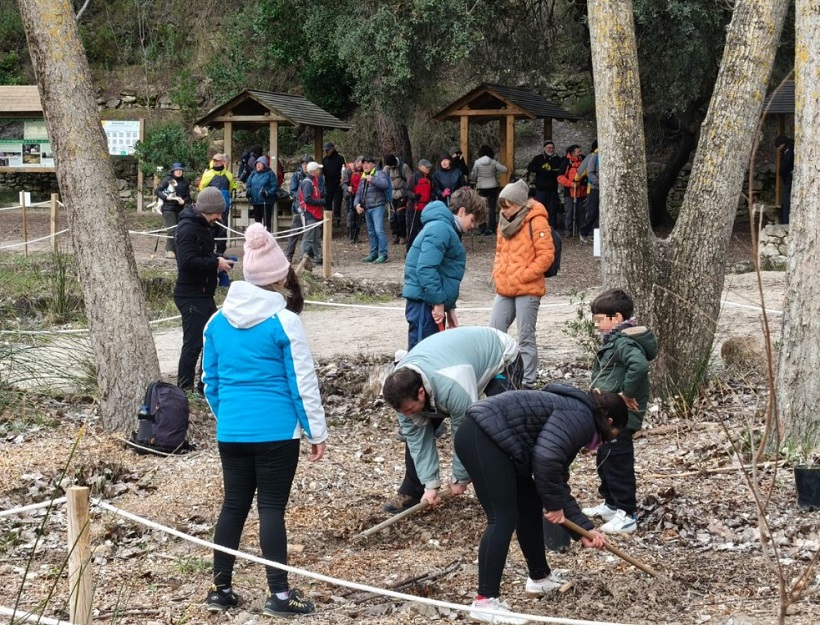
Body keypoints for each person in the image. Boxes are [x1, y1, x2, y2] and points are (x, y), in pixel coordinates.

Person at [202, 223, 327, 618]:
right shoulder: (285, 321)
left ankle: (220, 589)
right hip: (276, 430)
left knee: (233, 505)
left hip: (233, 430)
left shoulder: (215, 322)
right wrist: (314, 431)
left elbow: (210, 383)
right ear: (279, 276)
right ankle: (279, 595)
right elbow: (302, 381)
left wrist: (229, 419)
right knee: (271, 508)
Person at [454, 386, 627, 624]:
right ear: (608, 421)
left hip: (500, 442)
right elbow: (546, 459)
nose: (602, 444)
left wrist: (584, 529)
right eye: (610, 436)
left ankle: (539, 578)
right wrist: (554, 505)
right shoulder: (582, 419)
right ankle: (485, 601)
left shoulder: (580, 413)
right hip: (483, 435)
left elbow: (557, 480)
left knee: (529, 504)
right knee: (502, 516)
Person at [381, 327, 523, 513]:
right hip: (448, 362)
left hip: (499, 355)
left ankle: (514, 491)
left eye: (408, 409)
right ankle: (414, 489)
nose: (406, 415)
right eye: (402, 411)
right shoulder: (401, 392)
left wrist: (460, 477)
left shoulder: (452, 386)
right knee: (413, 431)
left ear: (421, 392)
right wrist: (430, 485)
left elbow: (465, 433)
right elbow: (417, 440)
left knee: (502, 427)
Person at [582, 288, 657, 534]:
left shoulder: (624, 341)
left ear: (616, 318)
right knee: (605, 459)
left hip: (621, 416)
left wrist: (627, 395)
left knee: (618, 461)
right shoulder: (615, 340)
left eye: (599, 320)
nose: (597, 326)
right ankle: (612, 504)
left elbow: (639, 365)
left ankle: (628, 513)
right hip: (608, 413)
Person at [488, 179, 554, 390]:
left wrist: (524, 275)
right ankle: (499, 375)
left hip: (528, 288)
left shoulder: (537, 220)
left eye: (507, 206)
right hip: (505, 286)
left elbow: (546, 256)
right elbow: (499, 251)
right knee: (494, 332)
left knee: (525, 336)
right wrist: (498, 273)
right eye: (502, 207)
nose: (504, 211)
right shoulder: (502, 222)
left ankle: (527, 381)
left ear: (519, 204)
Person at [403, 187, 486, 350]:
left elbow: (443, 272)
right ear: (462, 211)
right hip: (424, 304)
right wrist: (439, 303)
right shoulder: (440, 229)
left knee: (434, 355)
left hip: (430, 302)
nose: (473, 226)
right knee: (422, 355)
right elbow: (426, 268)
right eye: (472, 220)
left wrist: (449, 308)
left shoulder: (448, 230)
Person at [173, 187, 235, 392]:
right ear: (207, 210)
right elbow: (186, 262)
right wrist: (215, 263)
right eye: (217, 212)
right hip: (191, 294)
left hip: (203, 293)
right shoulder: (187, 229)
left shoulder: (203, 226)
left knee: (211, 340)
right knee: (193, 344)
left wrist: (216, 261)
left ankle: (204, 385)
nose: (219, 216)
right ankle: (184, 389)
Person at [353, 156, 390, 263]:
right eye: (363, 163)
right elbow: (358, 193)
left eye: (368, 163)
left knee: (379, 231)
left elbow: (385, 185)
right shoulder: (363, 176)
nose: (365, 165)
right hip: (367, 207)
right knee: (371, 232)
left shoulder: (379, 174)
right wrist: (356, 205)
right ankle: (373, 253)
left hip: (378, 206)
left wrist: (372, 180)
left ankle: (383, 254)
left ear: (373, 164)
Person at [198, 153, 237, 255]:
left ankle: (220, 252)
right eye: (214, 160)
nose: (216, 162)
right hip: (210, 208)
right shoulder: (207, 174)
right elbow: (201, 188)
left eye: (218, 160)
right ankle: (208, 251)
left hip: (224, 207)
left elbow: (231, 188)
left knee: (222, 231)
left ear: (223, 162)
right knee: (210, 230)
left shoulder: (229, 175)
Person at [154, 162, 191, 259]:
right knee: (172, 230)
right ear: (173, 171)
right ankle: (168, 250)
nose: (179, 172)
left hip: (179, 209)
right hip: (168, 208)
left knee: (179, 230)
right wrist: (166, 198)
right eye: (177, 170)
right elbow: (157, 191)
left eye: (180, 170)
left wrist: (184, 201)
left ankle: (177, 250)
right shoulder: (167, 180)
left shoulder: (185, 183)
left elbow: (188, 197)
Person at [470, 145, 507, 236]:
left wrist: (473, 182)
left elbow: (473, 174)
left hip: (481, 187)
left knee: (481, 207)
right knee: (492, 208)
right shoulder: (494, 162)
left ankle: (482, 228)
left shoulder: (477, 162)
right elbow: (504, 169)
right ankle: (491, 228)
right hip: (492, 186)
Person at [526, 141, 563, 230]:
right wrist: (541, 169)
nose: (550, 149)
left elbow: (560, 171)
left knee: (552, 210)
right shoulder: (538, 158)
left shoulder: (558, 159)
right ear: (544, 148)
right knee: (540, 210)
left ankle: (552, 228)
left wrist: (550, 171)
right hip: (540, 189)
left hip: (552, 189)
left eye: (552, 148)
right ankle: (539, 227)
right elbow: (530, 168)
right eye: (548, 148)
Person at [298, 161, 326, 268]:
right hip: (309, 212)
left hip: (314, 212)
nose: (319, 171)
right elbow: (307, 199)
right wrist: (322, 202)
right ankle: (303, 258)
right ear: (314, 171)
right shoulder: (308, 182)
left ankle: (318, 257)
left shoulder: (313, 181)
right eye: (317, 169)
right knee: (309, 237)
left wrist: (322, 196)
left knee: (316, 237)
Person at [556, 145, 586, 237]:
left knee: (581, 212)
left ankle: (581, 230)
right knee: (569, 211)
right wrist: (571, 184)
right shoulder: (566, 162)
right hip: (570, 192)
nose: (580, 153)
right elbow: (560, 177)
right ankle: (568, 230)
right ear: (573, 153)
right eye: (578, 151)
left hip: (582, 191)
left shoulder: (584, 160)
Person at [384, 154, 413, 245]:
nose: (391, 167)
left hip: (402, 193)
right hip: (391, 194)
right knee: (392, 217)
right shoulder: (386, 169)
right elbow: (384, 181)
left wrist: (407, 193)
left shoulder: (404, 167)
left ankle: (403, 236)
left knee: (400, 215)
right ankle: (395, 235)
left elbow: (410, 180)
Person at [245, 155, 279, 232]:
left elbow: (274, 186)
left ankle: (267, 240)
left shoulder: (270, 174)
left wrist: (267, 193)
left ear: (264, 165)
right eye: (257, 163)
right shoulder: (253, 174)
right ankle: (258, 240)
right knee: (257, 224)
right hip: (255, 201)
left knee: (267, 224)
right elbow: (248, 184)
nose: (258, 165)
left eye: (260, 163)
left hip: (265, 202)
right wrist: (248, 192)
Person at [406, 159, 434, 249]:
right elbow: (407, 191)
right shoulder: (413, 177)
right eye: (426, 167)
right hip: (414, 207)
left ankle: (423, 249)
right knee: (412, 231)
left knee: (424, 230)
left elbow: (432, 190)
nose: (428, 168)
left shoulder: (429, 178)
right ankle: (409, 250)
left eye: (429, 167)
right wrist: (414, 196)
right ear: (420, 167)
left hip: (426, 207)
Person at [576, 140, 599, 244]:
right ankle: (584, 232)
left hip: (600, 188)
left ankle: (592, 233)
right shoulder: (593, 156)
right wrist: (599, 182)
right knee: (592, 212)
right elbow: (588, 173)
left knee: (597, 213)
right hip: (595, 188)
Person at [322, 141, 346, 227]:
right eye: (325, 150)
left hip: (338, 184)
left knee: (337, 202)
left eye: (327, 150)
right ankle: (328, 219)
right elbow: (323, 171)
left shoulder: (340, 158)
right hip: (328, 183)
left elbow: (343, 171)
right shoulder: (324, 159)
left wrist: (342, 181)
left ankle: (337, 220)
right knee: (327, 202)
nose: (326, 152)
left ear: (332, 149)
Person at [342, 156, 364, 243]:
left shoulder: (363, 170)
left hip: (360, 195)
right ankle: (351, 236)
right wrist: (347, 188)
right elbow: (343, 183)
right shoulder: (348, 170)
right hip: (350, 195)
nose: (360, 168)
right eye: (359, 166)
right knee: (350, 215)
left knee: (358, 215)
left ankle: (356, 236)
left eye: (361, 167)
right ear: (356, 162)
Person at [774, 135, 794, 224]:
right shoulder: (790, 148)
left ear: (782, 144)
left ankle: (785, 222)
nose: (779, 149)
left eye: (778, 146)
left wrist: (782, 173)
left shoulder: (788, 150)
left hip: (788, 180)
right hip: (788, 179)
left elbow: (786, 164)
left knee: (786, 202)